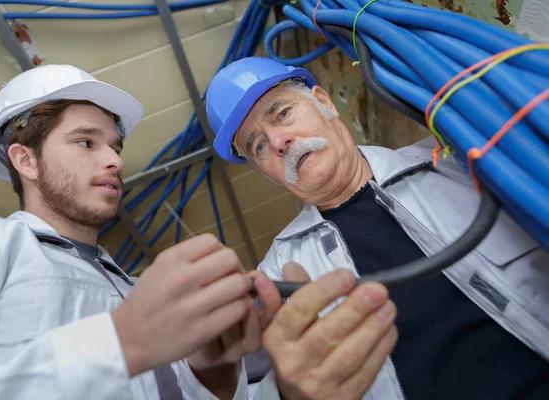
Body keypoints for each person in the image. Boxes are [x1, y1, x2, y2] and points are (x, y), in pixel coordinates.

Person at [205, 57, 549, 399]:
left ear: (324, 103)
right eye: (259, 146)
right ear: (267, 172)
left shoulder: (456, 163)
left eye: (282, 113)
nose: (278, 141)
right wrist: (285, 392)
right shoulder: (278, 279)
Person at [0, 64, 263, 400]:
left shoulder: (139, 293)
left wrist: (214, 375)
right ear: (26, 160)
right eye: (86, 142)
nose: (115, 160)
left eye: (116, 147)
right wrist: (124, 341)